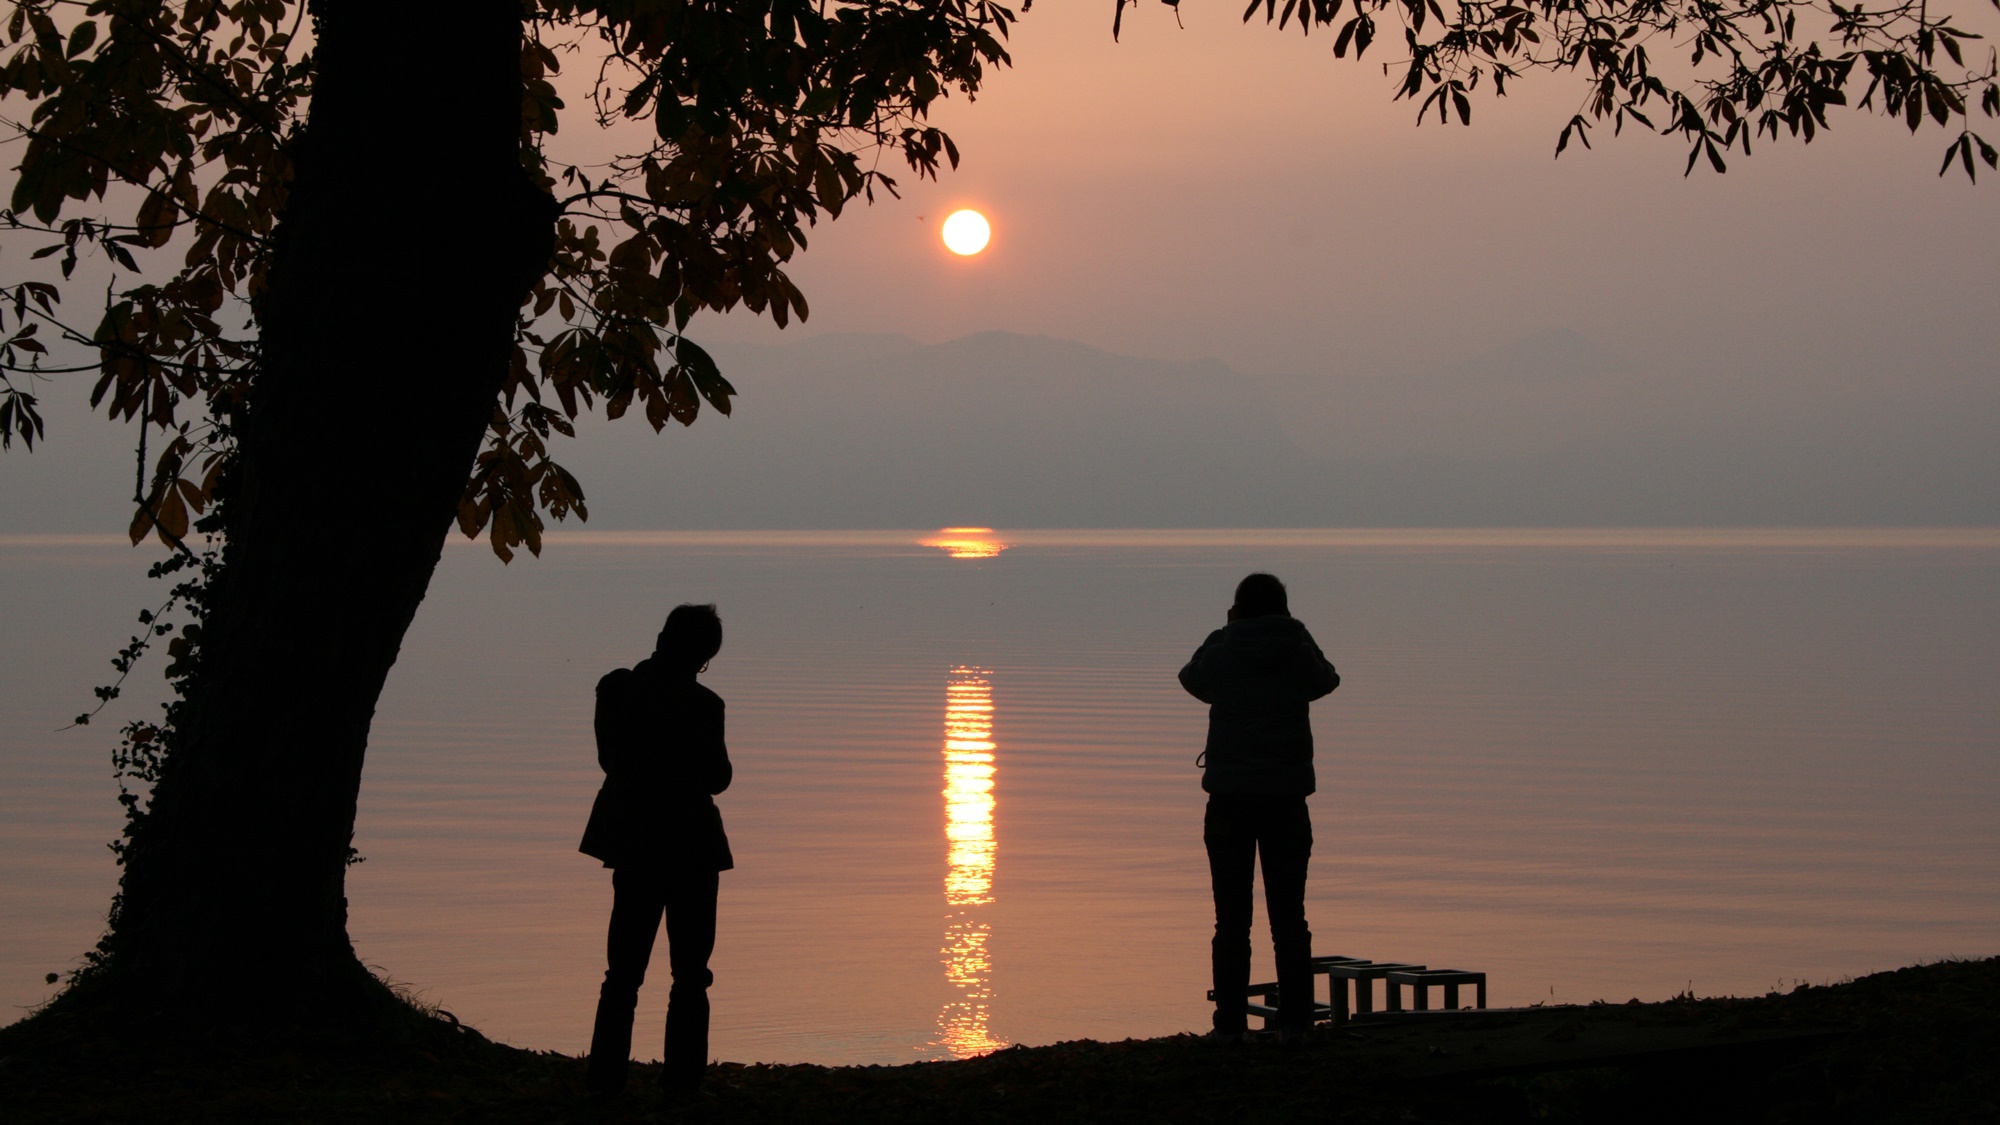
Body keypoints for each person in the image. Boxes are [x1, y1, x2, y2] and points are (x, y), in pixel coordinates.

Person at [1178, 573, 1339, 1045]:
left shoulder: (1224, 648)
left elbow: (1192, 678)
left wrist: (1221, 633)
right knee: (1290, 917)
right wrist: (1299, 632)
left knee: (1231, 919)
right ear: (1283, 609)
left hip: (1229, 800)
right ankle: (1296, 1022)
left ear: (1237, 609)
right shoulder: (1295, 648)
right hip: (1286, 800)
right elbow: (1326, 680)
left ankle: (1229, 1025)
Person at [581, 603, 734, 1099]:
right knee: (691, 972)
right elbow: (718, 778)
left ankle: (606, 1082)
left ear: (663, 636)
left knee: (622, 971)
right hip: (692, 843)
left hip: (635, 840)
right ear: (704, 656)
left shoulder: (618, 689)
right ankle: (682, 1084)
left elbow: (610, 759)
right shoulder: (706, 706)